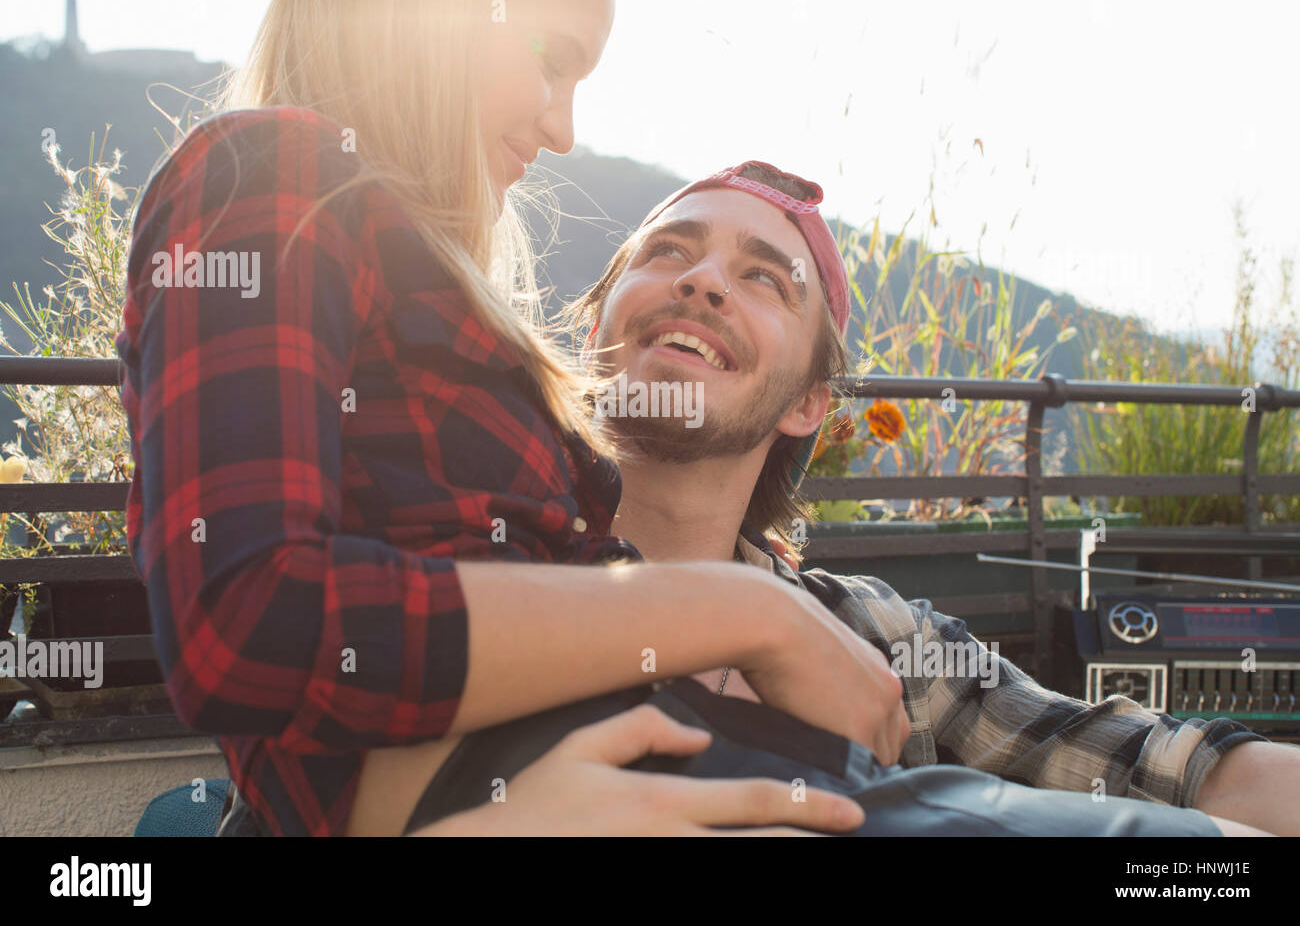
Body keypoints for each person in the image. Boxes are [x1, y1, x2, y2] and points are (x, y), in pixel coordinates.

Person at [118, 0, 906, 838]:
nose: (563, 129)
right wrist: (752, 618)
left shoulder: (411, 272)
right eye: (552, 62)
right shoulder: (268, 168)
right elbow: (248, 622)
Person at [354, 160, 1270, 837]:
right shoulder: (468, 556)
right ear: (594, 327)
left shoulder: (876, 637)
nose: (701, 279)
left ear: (808, 403)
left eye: (763, 279)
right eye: (667, 251)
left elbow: (1149, 767)